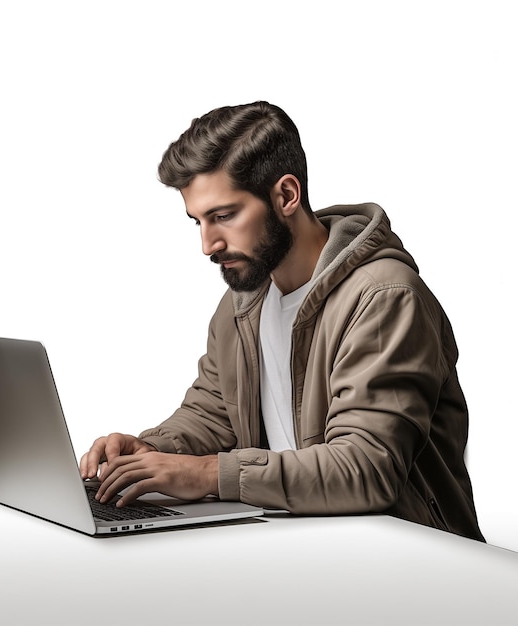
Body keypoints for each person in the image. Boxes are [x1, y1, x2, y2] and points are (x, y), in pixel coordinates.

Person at [79, 101, 484, 541]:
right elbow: (213, 414)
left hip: (410, 558)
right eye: (197, 221)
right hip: (304, 542)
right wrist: (152, 450)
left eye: (224, 216)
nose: (207, 244)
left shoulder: (385, 298)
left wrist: (207, 474)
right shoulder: (242, 305)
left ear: (286, 196)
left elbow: (367, 468)